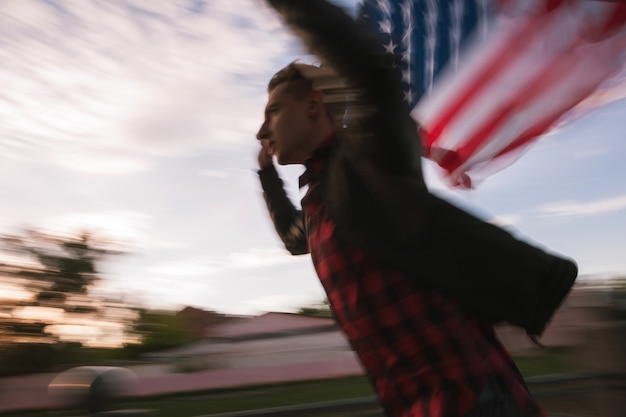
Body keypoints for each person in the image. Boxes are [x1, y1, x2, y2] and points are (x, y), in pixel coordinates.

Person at [255, 1, 577, 416]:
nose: (262, 130)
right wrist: (266, 173)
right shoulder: (323, 200)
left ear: (315, 107)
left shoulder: (368, 162)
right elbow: (294, 239)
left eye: (274, 112)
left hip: (471, 400)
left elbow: (372, 77)